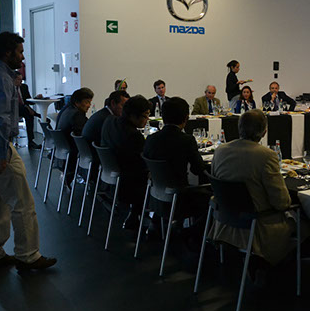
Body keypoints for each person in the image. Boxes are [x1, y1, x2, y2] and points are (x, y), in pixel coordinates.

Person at [0, 31, 56, 272]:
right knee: (23, 203)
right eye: (19, 52)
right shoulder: (1, 78)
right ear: (8, 52)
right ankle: (28, 256)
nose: (22, 57)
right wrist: (3, 153)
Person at [210, 109, 310, 265]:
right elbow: (282, 203)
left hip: (224, 220)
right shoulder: (266, 155)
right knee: (307, 223)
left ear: (239, 127)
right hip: (258, 225)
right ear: (264, 132)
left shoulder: (220, 151)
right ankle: (284, 268)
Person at [143, 97, 209, 235]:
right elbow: (198, 169)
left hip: (154, 197)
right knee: (212, 198)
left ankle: (160, 224)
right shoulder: (186, 140)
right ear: (186, 118)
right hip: (179, 199)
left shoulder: (150, 139)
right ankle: (192, 235)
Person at [101, 95, 151, 230]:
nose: (147, 119)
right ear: (133, 116)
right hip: (130, 185)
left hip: (109, 178)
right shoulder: (134, 136)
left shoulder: (110, 121)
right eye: (145, 115)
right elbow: (142, 165)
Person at [56, 87, 94, 186]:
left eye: (90, 102)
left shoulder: (66, 109)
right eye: (87, 102)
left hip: (63, 151)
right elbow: (84, 134)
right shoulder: (77, 115)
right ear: (77, 102)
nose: (89, 105)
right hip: (73, 151)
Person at [13, 71, 41, 149]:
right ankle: (37, 114)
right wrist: (26, 107)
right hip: (13, 109)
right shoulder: (9, 88)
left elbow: (29, 101)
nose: (21, 82)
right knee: (27, 111)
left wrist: (36, 98)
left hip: (25, 110)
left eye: (21, 79)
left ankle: (31, 141)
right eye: (19, 79)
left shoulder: (24, 87)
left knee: (29, 116)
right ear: (13, 79)